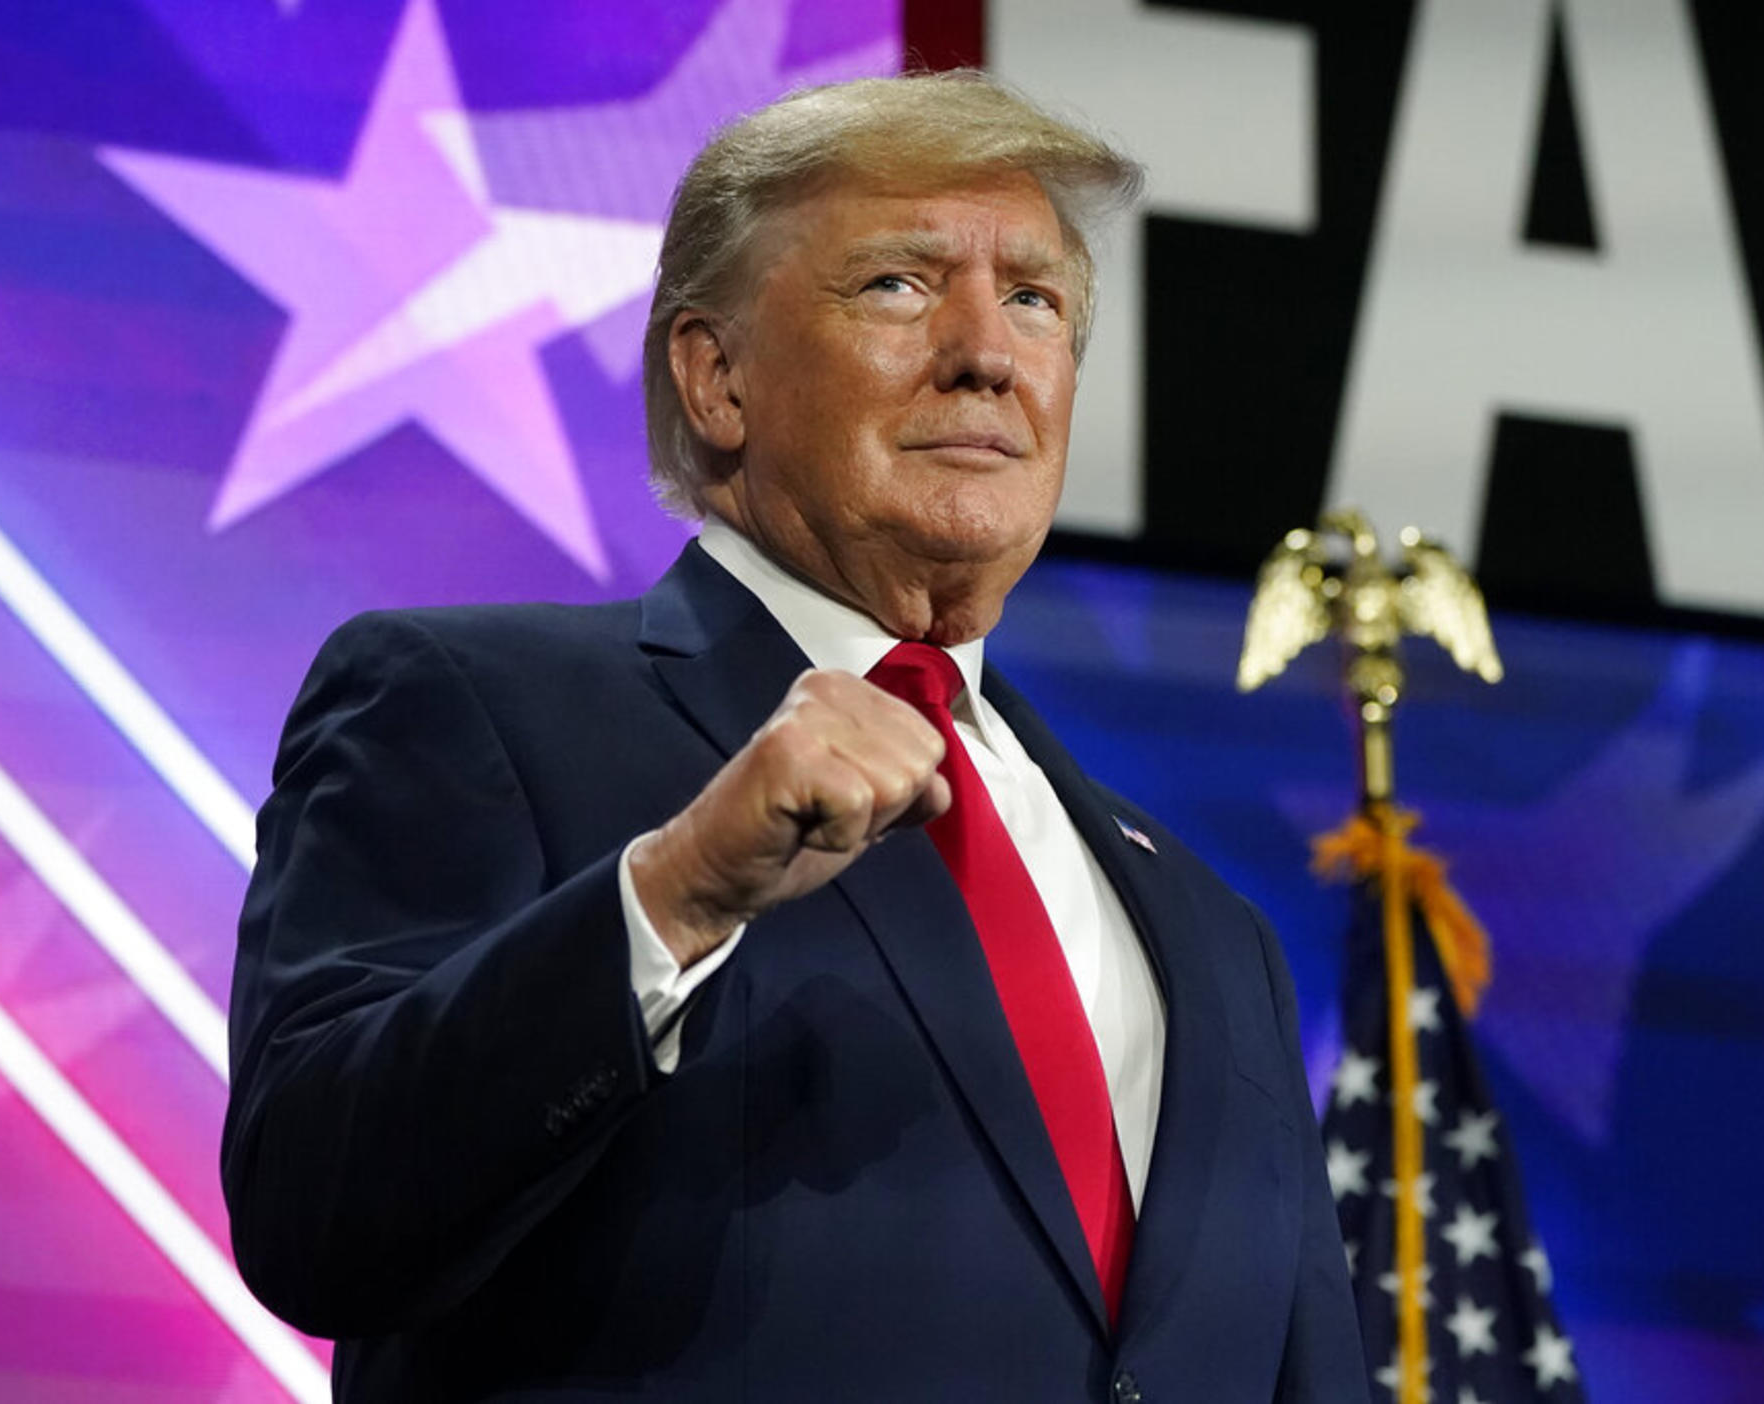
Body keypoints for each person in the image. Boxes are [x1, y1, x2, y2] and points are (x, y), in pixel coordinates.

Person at [225, 71, 1368, 1402]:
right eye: (896, 284)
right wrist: (678, 891)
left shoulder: (1213, 933)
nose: (986, 353)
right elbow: (318, 1211)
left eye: (1034, 299)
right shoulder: (475, 703)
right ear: (717, 379)